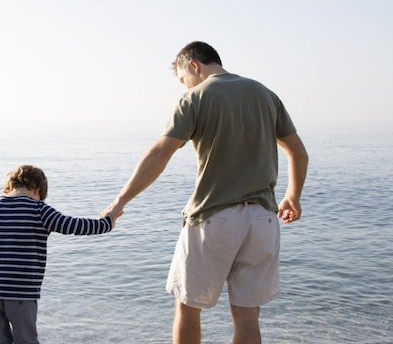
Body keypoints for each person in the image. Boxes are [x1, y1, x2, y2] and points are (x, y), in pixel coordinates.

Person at [103, 41, 309, 344]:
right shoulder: (265, 94)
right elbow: (299, 153)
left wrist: (120, 201)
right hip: (263, 220)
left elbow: (161, 153)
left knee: (188, 308)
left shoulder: (195, 98)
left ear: (194, 66)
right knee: (247, 315)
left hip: (214, 218)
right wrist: (292, 196)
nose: (184, 87)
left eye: (183, 80)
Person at [0, 164, 118, 344]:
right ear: (38, 191)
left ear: (9, 187)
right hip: (22, 293)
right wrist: (108, 221)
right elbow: (75, 226)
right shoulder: (39, 210)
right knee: (26, 341)